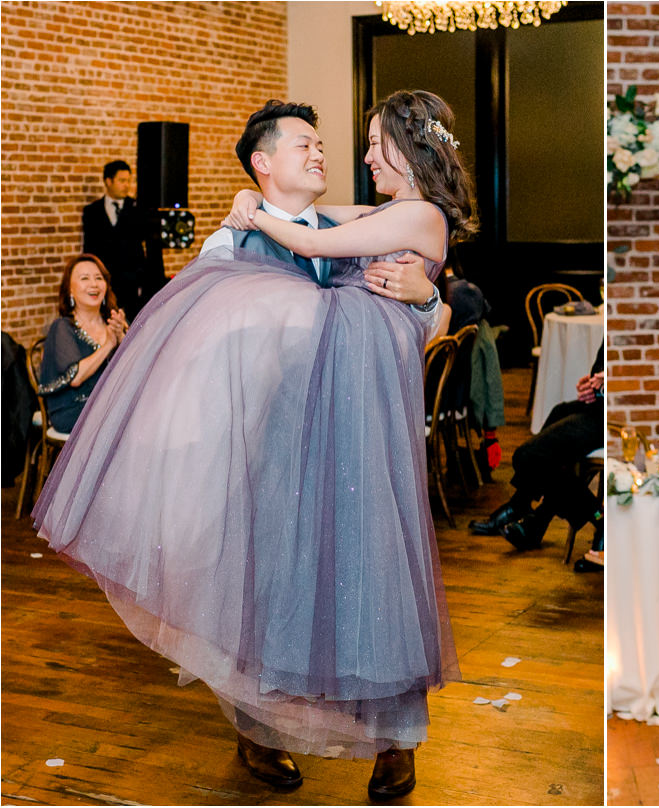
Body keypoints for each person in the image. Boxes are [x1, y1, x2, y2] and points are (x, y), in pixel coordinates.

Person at [34, 91, 474, 800]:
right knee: (262, 592)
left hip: (358, 445)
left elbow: (409, 317)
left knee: (373, 577)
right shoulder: (231, 245)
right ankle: (257, 734)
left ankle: (395, 742)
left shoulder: (367, 224)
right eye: (309, 143)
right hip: (265, 451)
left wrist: (427, 296)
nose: (336, 154)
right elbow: (197, 352)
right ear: (266, 163)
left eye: (351, 142)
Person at [469, 344, 604, 558]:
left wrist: (606, 384)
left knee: (527, 456)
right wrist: (592, 385)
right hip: (598, 406)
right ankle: (530, 516)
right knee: (558, 413)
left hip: (609, 418)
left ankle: (599, 518)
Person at [37, 255, 128, 433]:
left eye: (98, 278)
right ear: (70, 290)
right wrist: (109, 344)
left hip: (111, 403)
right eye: (85, 278)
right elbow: (75, 377)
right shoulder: (62, 327)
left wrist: (123, 338)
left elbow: (137, 368)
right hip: (74, 409)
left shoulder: (114, 322)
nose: (94, 284)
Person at [81, 160, 164, 320]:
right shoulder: (92, 211)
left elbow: (150, 249)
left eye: (128, 181)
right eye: (122, 181)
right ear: (108, 181)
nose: (126, 185)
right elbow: (89, 248)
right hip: (104, 282)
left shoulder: (138, 210)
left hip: (132, 286)